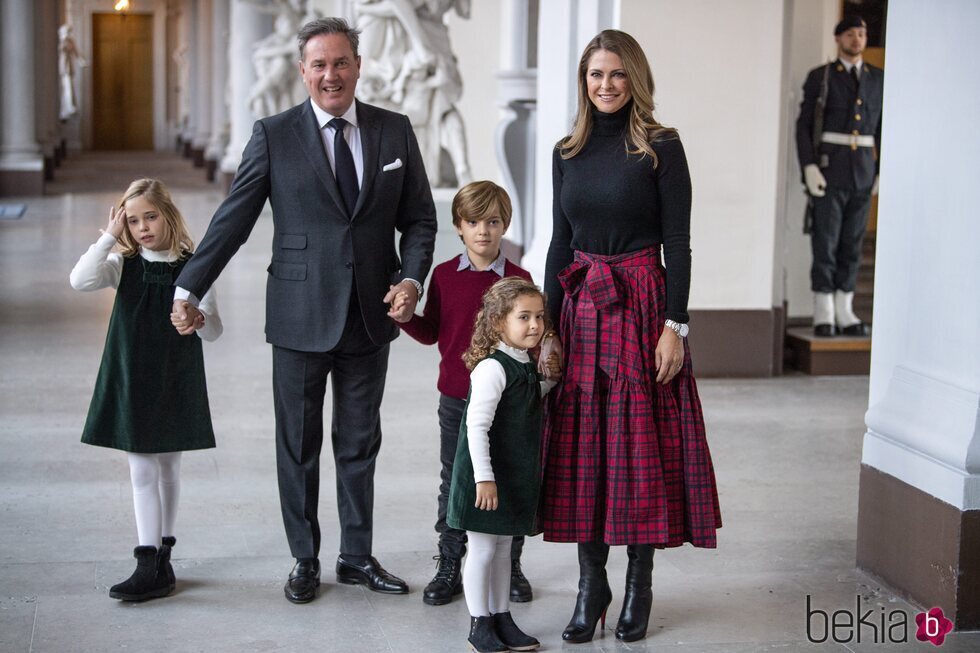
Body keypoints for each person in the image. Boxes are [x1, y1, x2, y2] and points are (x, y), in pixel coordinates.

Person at [171, 17, 437, 604]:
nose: (330, 74)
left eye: (340, 62)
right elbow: (234, 219)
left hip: (371, 312)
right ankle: (304, 558)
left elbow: (419, 216)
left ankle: (357, 556)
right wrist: (190, 286)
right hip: (297, 313)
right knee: (297, 442)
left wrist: (413, 277)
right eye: (319, 65)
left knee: (359, 440)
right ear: (303, 71)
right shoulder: (274, 133)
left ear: (358, 65)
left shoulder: (394, 131)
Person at [540, 30, 722, 643]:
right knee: (583, 449)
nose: (606, 85)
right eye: (595, 75)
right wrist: (547, 328)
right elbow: (560, 243)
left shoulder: (662, 147)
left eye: (616, 74)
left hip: (644, 304)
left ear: (635, 78)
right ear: (583, 82)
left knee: (642, 450)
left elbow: (680, 244)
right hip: (583, 308)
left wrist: (676, 326)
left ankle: (639, 583)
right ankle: (593, 586)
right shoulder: (567, 149)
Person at [70, 178, 223, 601]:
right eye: (133, 220)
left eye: (150, 216)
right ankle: (145, 560)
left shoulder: (194, 268)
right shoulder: (123, 264)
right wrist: (107, 236)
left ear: (168, 215)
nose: (142, 228)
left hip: (175, 375)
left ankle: (163, 559)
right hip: (132, 376)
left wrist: (198, 320)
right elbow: (80, 281)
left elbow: (214, 329)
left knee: (170, 469)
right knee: (142, 471)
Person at [395, 181, 535, 606]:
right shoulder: (442, 276)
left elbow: (530, 334)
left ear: (505, 225)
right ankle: (450, 563)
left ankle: (509, 566)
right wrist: (405, 318)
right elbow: (433, 331)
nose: (483, 231)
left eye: (493, 222)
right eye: (473, 222)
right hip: (457, 399)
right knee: (454, 482)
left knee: (508, 477)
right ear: (458, 226)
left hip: (510, 404)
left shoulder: (520, 278)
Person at [446, 277, 560, 653]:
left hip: (510, 477)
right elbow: (475, 427)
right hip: (486, 481)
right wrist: (484, 479)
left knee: (503, 550)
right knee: (481, 550)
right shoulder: (491, 368)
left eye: (539, 317)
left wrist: (548, 384)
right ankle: (480, 623)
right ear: (498, 323)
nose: (535, 326)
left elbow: (523, 398)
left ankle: (500, 616)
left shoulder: (521, 363)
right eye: (523, 317)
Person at [795, 15, 883, 337]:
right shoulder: (823, 77)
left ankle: (845, 310)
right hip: (830, 171)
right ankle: (824, 311)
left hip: (862, 172)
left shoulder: (877, 79)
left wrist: (881, 169)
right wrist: (809, 165)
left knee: (852, 242)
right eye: (850, 34)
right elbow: (804, 125)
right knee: (826, 241)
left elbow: (885, 127)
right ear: (838, 38)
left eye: (861, 33)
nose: (857, 39)